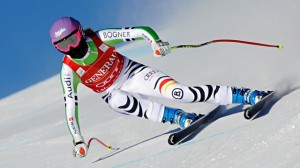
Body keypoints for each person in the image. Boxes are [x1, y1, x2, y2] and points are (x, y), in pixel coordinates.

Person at [50, 17, 270, 158]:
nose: (71, 47)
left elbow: (140, 31)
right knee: (118, 99)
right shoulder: (69, 70)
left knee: (180, 93)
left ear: (81, 32)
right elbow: (71, 105)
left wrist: (155, 42)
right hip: (113, 93)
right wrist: (78, 138)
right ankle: (178, 117)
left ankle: (247, 95)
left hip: (133, 73)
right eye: (62, 45)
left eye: (74, 38)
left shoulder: (100, 38)